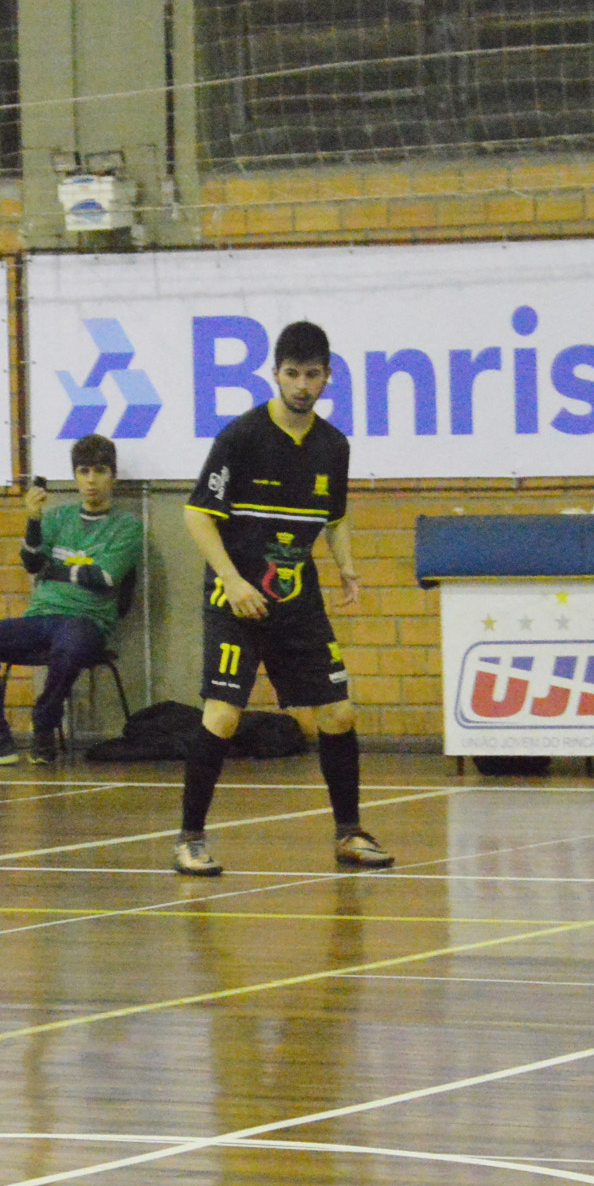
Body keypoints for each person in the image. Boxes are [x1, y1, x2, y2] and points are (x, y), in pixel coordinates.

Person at [175, 319, 392, 878]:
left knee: (339, 713)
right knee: (222, 715)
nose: (301, 384)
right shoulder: (241, 436)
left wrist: (347, 568)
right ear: (275, 375)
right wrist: (232, 580)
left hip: (298, 603)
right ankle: (190, 838)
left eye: (312, 375)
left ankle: (349, 832)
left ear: (327, 378)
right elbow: (197, 515)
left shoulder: (332, 446)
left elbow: (335, 517)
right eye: (291, 374)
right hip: (237, 601)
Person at [0, 433, 143, 766]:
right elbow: (33, 563)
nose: (91, 480)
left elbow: (105, 578)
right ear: (75, 477)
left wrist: (56, 569)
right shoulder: (57, 518)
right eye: (83, 471)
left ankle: (44, 721)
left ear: (113, 476)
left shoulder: (126, 526)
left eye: (99, 471)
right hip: (41, 617)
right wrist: (34, 519)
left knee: (70, 644)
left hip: (88, 622)